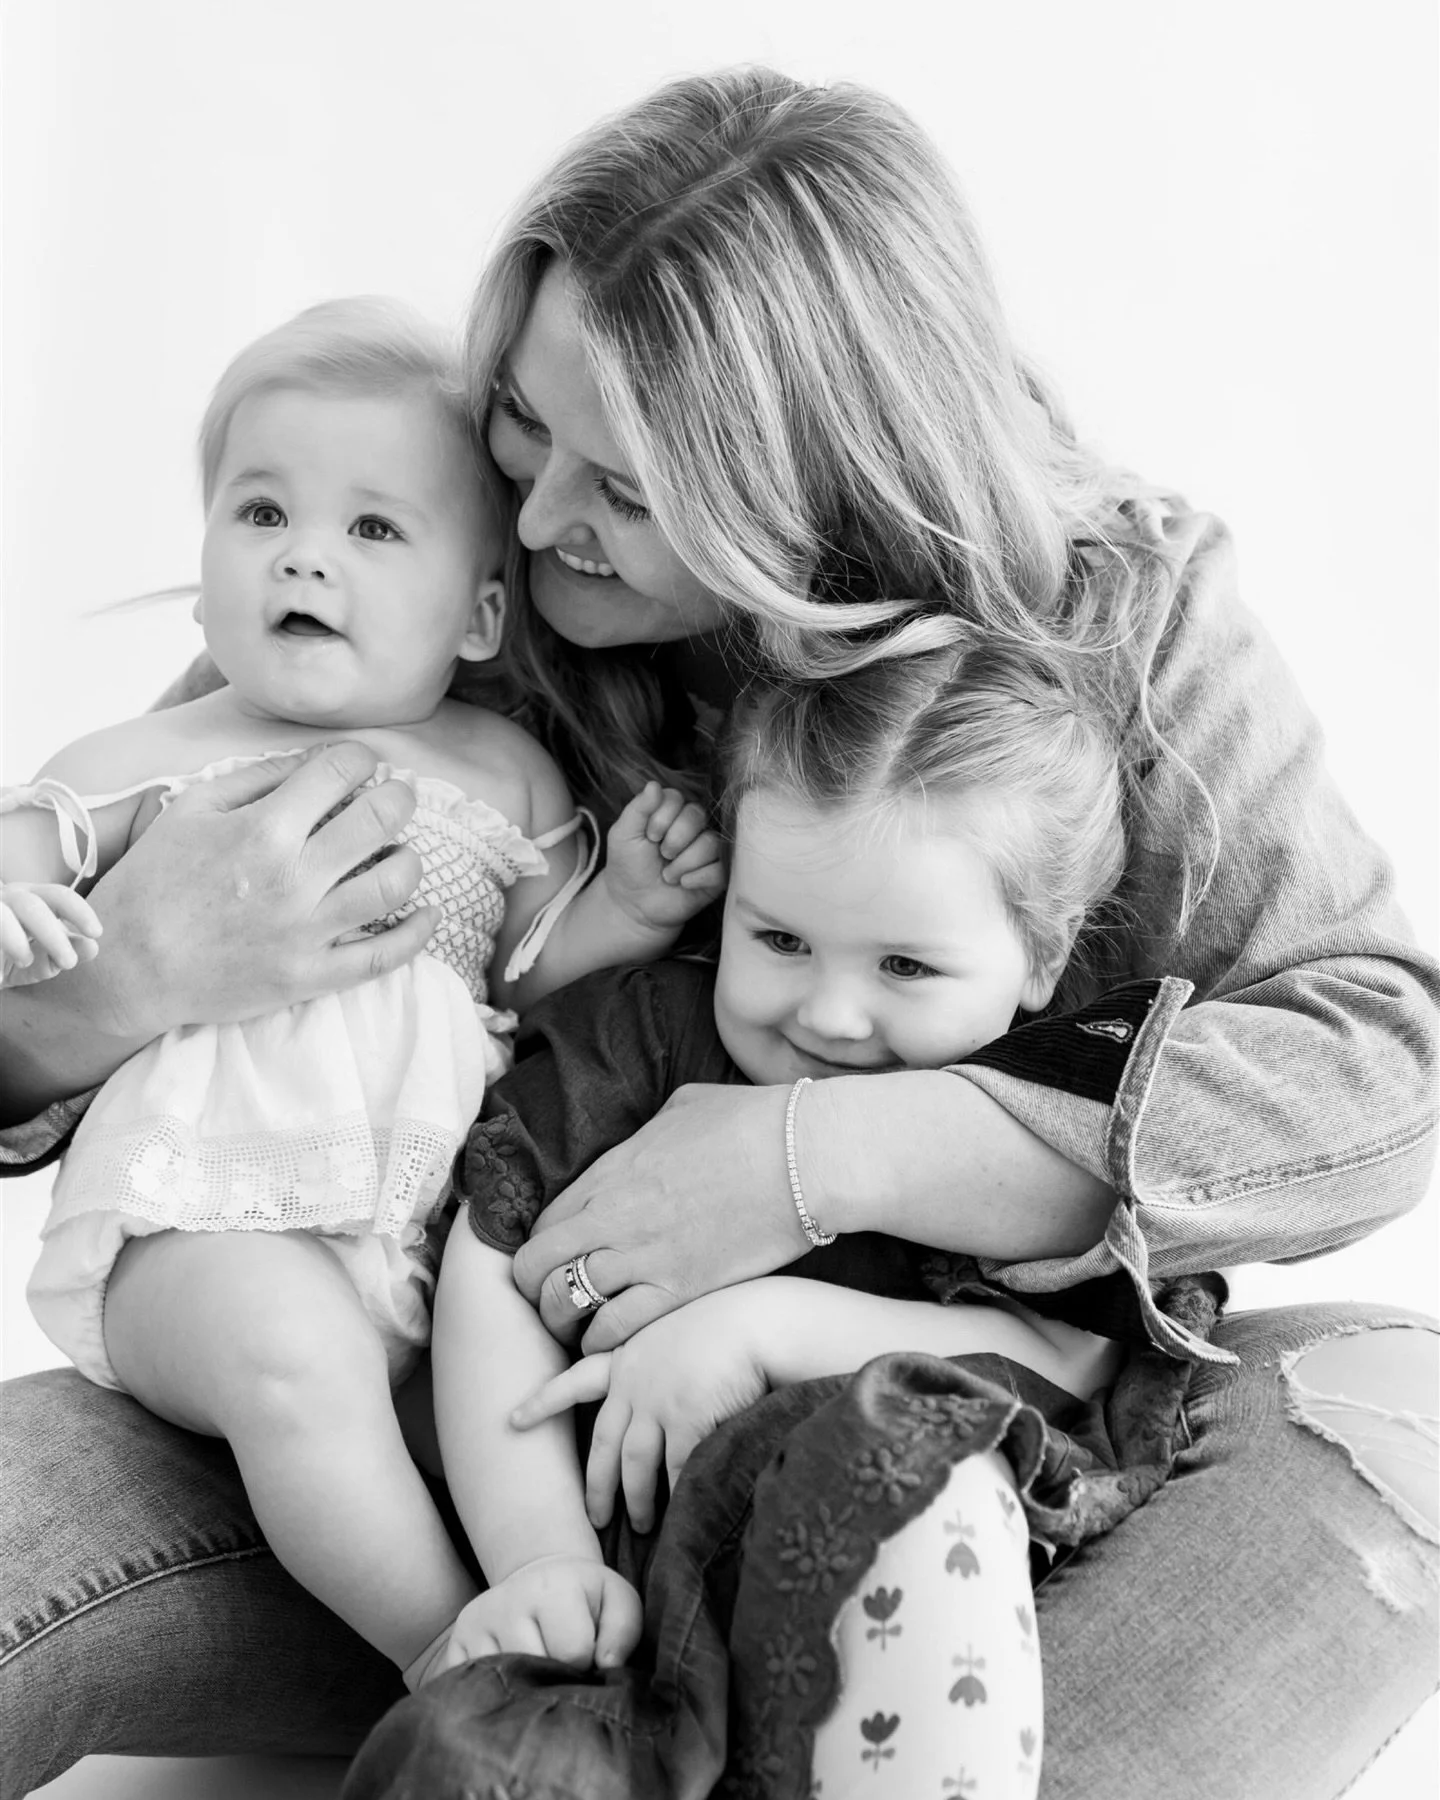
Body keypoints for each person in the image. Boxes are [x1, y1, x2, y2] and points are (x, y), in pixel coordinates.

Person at [1, 65, 1435, 1800]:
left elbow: (1369, 1058)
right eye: (524, 430)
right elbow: (137, 851)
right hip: (437, 1445)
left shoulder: (1120, 611)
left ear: (820, 488)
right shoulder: (477, 595)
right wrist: (112, 992)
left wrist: (815, 1158)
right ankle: (575, 1697)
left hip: (947, 1470)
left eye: (623, 482)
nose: (532, 524)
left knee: (1389, 1413)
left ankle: (759, 1738)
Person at [0, 295, 723, 1696]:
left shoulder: (508, 776)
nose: (306, 560)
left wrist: (626, 907)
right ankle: (446, 1662)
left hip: (426, 1237)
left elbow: (533, 980)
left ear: (479, 614)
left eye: (372, 530)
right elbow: (25, 843)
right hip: (199, 1226)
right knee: (293, 1360)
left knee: (471, 1396)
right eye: (261, 514)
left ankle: (549, 1614)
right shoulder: (159, 749)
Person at [420, 644, 1137, 1796]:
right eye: (781, 941)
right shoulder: (647, 1038)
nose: (832, 1013)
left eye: (905, 964)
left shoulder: (1031, 1121)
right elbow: (492, 1273)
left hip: (876, 1605)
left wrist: (760, 1326)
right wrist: (537, 1557)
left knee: (918, 1465)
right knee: (472, 1759)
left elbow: (1060, 1361)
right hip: (615, 1578)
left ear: (1042, 955)